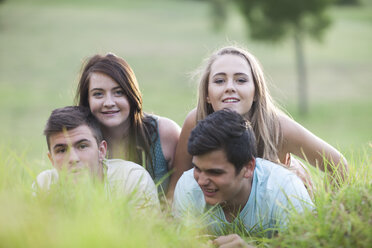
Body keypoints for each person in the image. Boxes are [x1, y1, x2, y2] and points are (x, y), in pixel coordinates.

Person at [168, 45, 348, 198]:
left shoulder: (278, 128)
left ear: (256, 91)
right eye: (220, 80)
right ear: (207, 94)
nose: (230, 87)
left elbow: (338, 165)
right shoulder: (196, 121)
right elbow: (176, 185)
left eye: (241, 80)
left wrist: (317, 217)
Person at [172, 109, 314, 247]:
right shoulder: (187, 188)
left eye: (215, 172)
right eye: (197, 168)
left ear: (248, 168)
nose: (201, 181)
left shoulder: (285, 190)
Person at [75, 53, 180, 193]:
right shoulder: (77, 142)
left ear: (132, 94)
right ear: (87, 100)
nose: (109, 103)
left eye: (118, 92)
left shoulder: (165, 133)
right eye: (98, 94)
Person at [33, 106, 160, 209]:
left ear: (101, 150)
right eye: (61, 150)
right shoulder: (44, 184)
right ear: (51, 159)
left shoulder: (132, 179)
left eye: (82, 146)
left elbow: (149, 236)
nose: (73, 158)